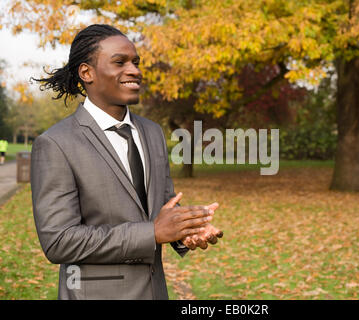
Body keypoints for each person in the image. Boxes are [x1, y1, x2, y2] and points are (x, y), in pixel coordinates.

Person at [30, 24, 223, 300]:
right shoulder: (56, 144)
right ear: (87, 73)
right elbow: (59, 241)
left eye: (135, 62)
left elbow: (161, 205)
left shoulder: (153, 132)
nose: (134, 70)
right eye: (119, 62)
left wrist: (186, 230)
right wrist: (152, 233)